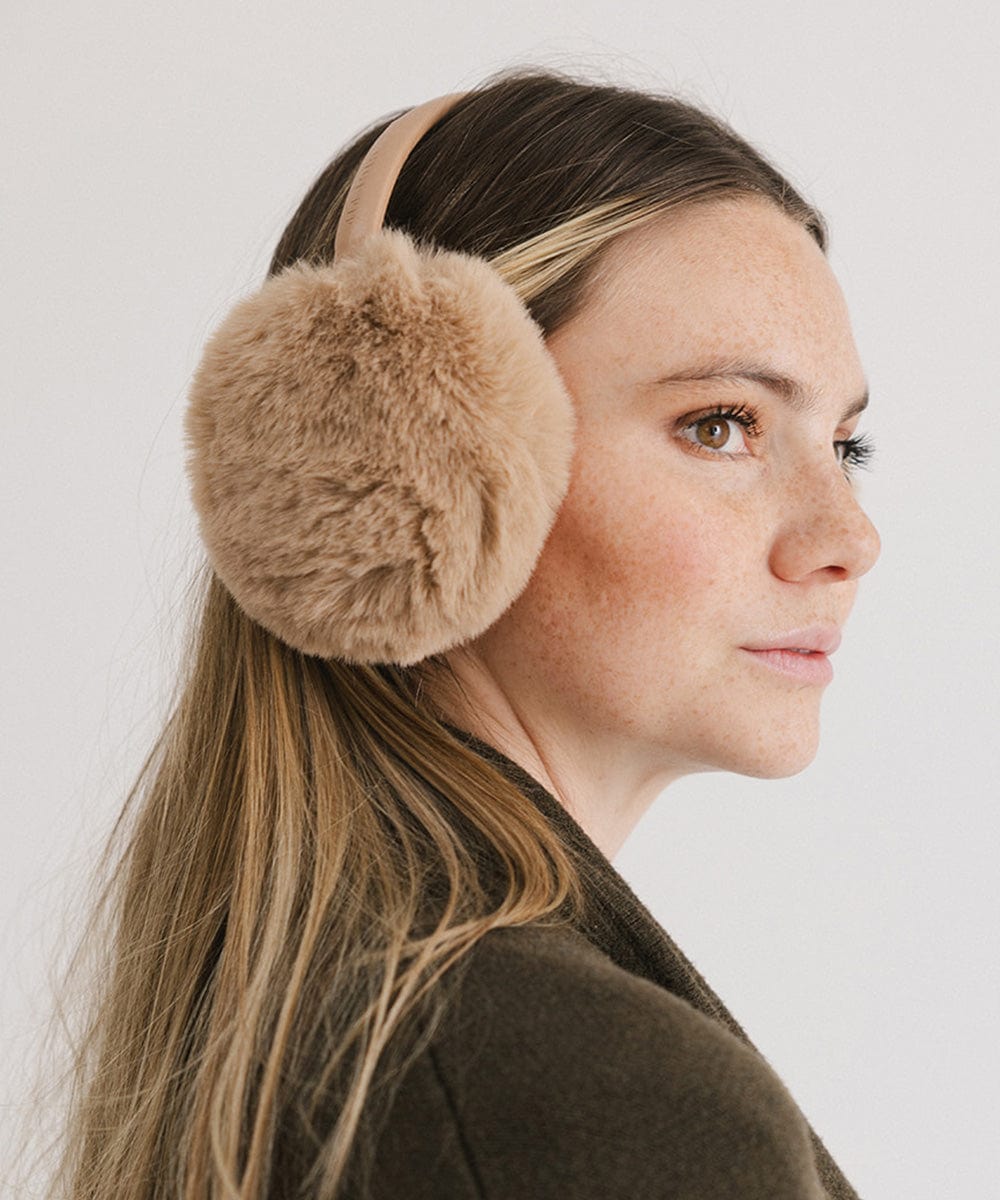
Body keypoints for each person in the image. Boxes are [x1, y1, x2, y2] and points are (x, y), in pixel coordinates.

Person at [51, 68, 879, 1199]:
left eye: (846, 445)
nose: (847, 538)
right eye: (721, 425)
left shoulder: (337, 1026)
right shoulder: (590, 1103)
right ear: (411, 459)